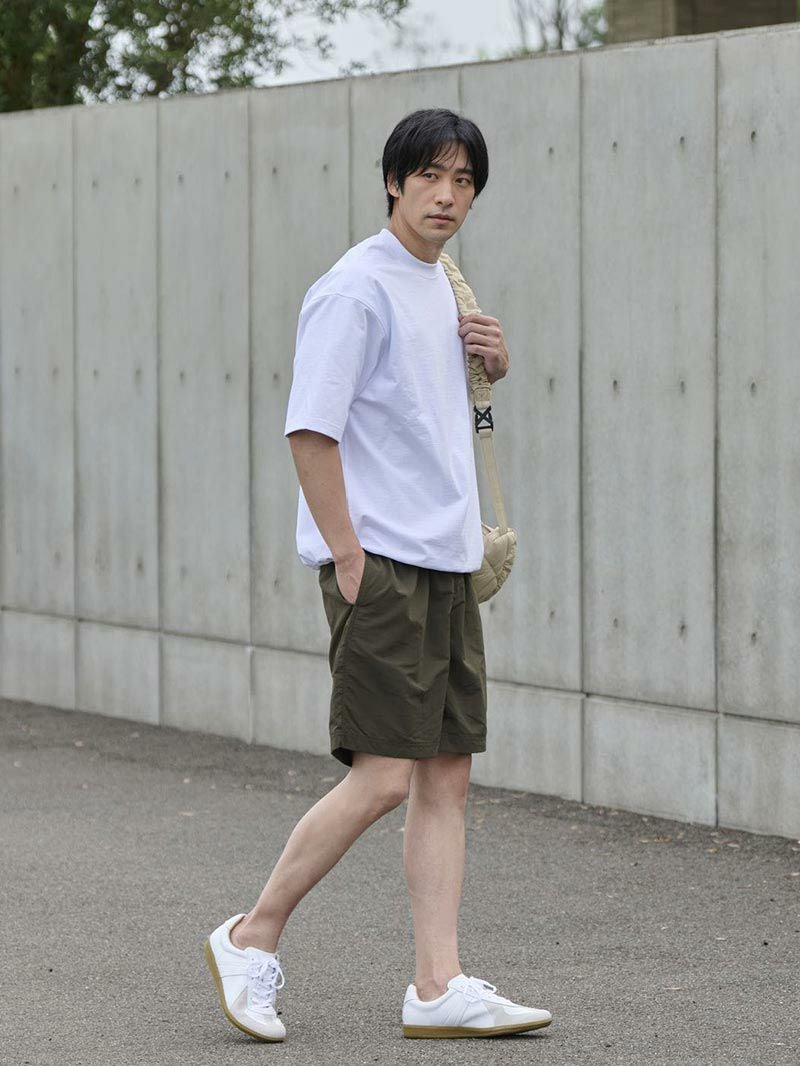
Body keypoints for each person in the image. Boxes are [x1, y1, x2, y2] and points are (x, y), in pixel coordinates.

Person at [204, 107, 553, 1042]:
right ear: (393, 181)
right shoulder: (354, 288)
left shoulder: (443, 285)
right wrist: (349, 556)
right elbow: (309, 431)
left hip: (447, 561)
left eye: (464, 180)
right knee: (384, 777)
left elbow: (422, 417)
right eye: (430, 175)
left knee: (446, 776)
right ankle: (250, 936)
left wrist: (494, 364)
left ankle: (437, 986)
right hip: (383, 563)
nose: (447, 195)